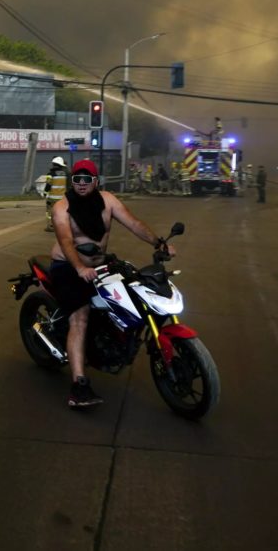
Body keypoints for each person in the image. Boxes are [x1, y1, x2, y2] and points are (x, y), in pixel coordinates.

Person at [49, 159, 175, 408]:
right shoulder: (61, 207)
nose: (82, 184)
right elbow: (65, 241)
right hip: (68, 267)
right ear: (72, 181)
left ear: (96, 181)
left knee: (131, 290)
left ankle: (111, 342)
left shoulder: (108, 201)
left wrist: (158, 243)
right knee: (80, 317)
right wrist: (80, 268)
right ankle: (79, 386)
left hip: (98, 264)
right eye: (77, 179)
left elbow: (134, 223)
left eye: (87, 179)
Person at [43, 156, 68, 232]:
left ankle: (51, 226)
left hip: (52, 198)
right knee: (61, 212)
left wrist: (44, 193)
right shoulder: (64, 174)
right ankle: (61, 226)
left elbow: (48, 185)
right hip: (62, 198)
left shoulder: (50, 174)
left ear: (53, 164)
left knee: (50, 212)